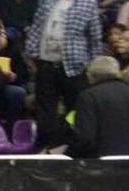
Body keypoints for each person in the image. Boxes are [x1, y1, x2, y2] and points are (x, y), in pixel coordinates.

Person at [25, 0, 102, 151]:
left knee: (76, 110)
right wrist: (30, 53)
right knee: (45, 112)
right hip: (46, 63)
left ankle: (74, 148)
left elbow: (95, 37)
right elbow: (37, 28)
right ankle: (47, 148)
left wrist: (92, 65)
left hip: (75, 67)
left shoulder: (88, 3)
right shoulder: (46, 2)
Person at [67, 56, 129, 158]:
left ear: (90, 76)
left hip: (100, 163)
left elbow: (85, 138)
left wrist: (70, 155)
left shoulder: (89, 96)